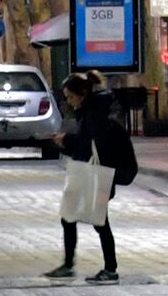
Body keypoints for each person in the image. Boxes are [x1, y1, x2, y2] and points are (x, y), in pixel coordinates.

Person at [48, 75, 138, 282]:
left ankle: (110, 268)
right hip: (88, 170)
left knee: (99, 222)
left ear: (82, 94)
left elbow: (91, 143)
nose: (69, 102)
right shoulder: (91, 110)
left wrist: (67, 140)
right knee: (69, 217)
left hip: (97, 173)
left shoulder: (94, 114)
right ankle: (70, 265)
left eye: (71, 97)